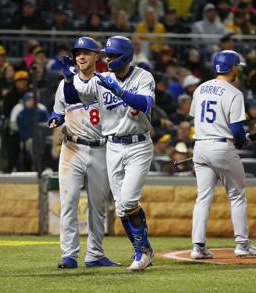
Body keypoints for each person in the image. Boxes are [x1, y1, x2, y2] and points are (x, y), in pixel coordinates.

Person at [60, 36, 155, 272]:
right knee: (122, 205)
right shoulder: (103, 79)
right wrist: (69, 79)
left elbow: (145, 104)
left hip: (138, 145)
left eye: (112, 56)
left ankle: (141, 251)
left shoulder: (143, 76)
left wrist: (119, 91)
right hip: (112, 146)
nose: (108, 59)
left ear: (124, 57)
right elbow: (74, 97)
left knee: (129, 200)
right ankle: (143, 250)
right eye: (107, 55)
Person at [48, 37, 119, 269]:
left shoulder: (107, 80)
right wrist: (55, 118)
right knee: (68, 203)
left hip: (101, 148)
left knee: (98, 207)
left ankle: (95, 254)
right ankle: (69, 255)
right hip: (73, 148)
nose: (81, 56)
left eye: (86, 52)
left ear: (97, 56)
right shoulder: (64, 84)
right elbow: (58, 111)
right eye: (78, 52)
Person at [189, 50, 256, 259]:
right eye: (237, 66)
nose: (238, 70)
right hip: (221, 147)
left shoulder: (201, 88)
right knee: (237, 195)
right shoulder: (234, 93)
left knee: (203, 198)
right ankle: (242, 244)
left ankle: (198, 247)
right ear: (233, 67)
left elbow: (195, 118)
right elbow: (238, 130)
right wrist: (243, 141)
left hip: (200, 147)